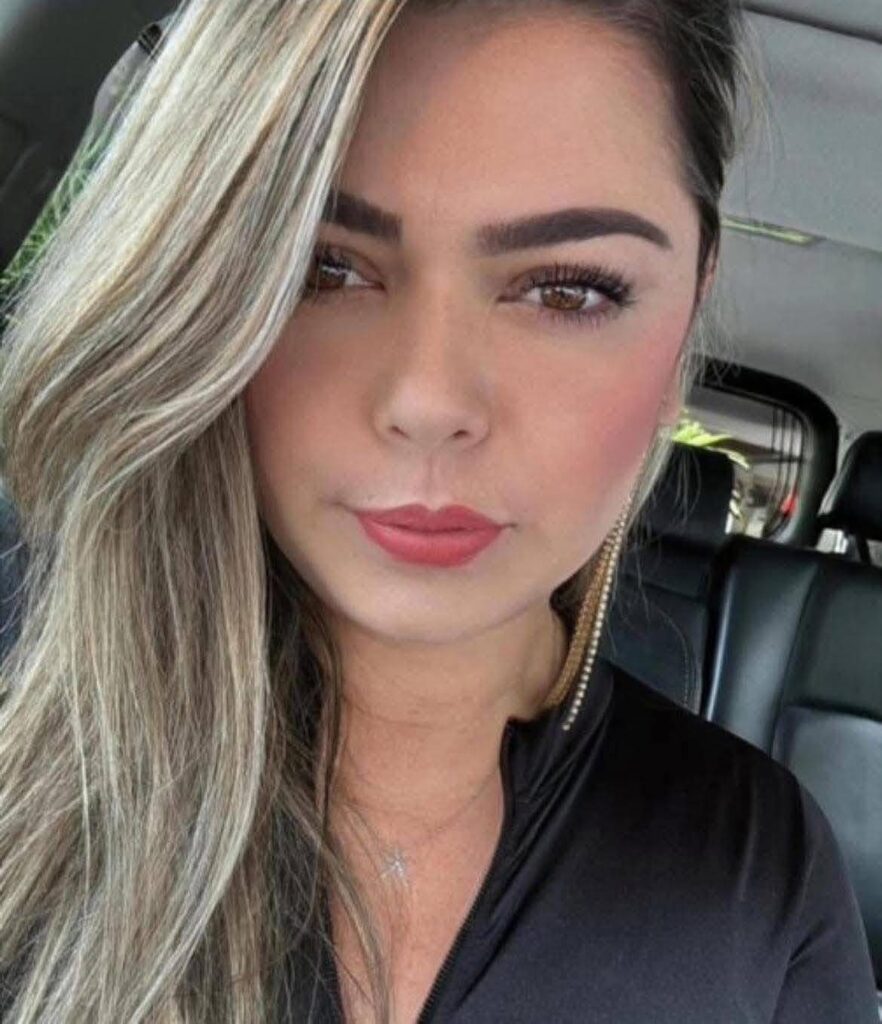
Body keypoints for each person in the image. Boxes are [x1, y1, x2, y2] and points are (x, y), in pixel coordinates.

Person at [0, 1, 876, 1021]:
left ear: (690, 306)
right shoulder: (27, 710)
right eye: (320, 267)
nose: (428, 400)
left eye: (569, 291)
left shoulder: (756, 876)